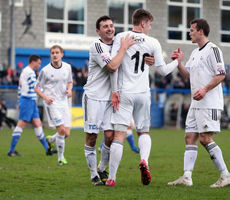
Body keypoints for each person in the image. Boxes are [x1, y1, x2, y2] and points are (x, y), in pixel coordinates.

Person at [107, 8, 183, 186]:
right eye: (149, 24)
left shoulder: (121, 37)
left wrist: (114, 90)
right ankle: (144, 161)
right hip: (143, 93)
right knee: (143, 131)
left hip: (124, 92)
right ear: (143, 23)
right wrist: (177, 62)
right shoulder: (153, 42)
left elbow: (113, 65)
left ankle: (111, 178)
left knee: (119, 135)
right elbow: (163, 71)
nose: (150, 27)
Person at [167, 18, 230, 188]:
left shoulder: (213, 50)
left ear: (201, 31)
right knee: (190, 137)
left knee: (205, 138)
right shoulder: (195, 52)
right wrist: (179, 63)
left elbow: (221, 74)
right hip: (195, 104)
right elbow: (187, 75)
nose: (190, 33)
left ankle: (226, 175)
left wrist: (204, 89)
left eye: (192, 30)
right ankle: (187, 177)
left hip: (209, 103)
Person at [82, 15, 137, 186]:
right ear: (98, 31)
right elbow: (113, 66)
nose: (109, 28)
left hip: (110, 98)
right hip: (93, 97)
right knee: (91, 137)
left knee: (110, 135)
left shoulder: (116, 45)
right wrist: (124, 48)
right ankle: (93, 175)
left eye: (111, 25)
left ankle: (101, 167)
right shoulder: (97, 46)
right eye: (105, 26)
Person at [35, 45, 73, 165]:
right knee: (61, 130)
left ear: (62, 54)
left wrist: (69, 90)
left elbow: (70, 82)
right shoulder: (45, 70)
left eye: (57, 52)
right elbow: (36, 87)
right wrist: (45, 98)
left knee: (66, 133)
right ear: (50, 55)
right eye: (52, 53)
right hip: (52, 103)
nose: (55, 55)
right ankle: (60, 159)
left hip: (64, 102)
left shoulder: (67, 67)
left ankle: (50, 140)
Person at [7, 55, 51, 157]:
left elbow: (20, 88)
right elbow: (35, 87)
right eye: (39, 63)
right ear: (33, 62)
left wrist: (19, 101)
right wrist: (46, 95)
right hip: (27, 101)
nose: (39, 65)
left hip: (29, 101)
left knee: (38, 123)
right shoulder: (30, 72)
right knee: (21, 124)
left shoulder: (25, 71)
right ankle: (11, 150)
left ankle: (47, 149)